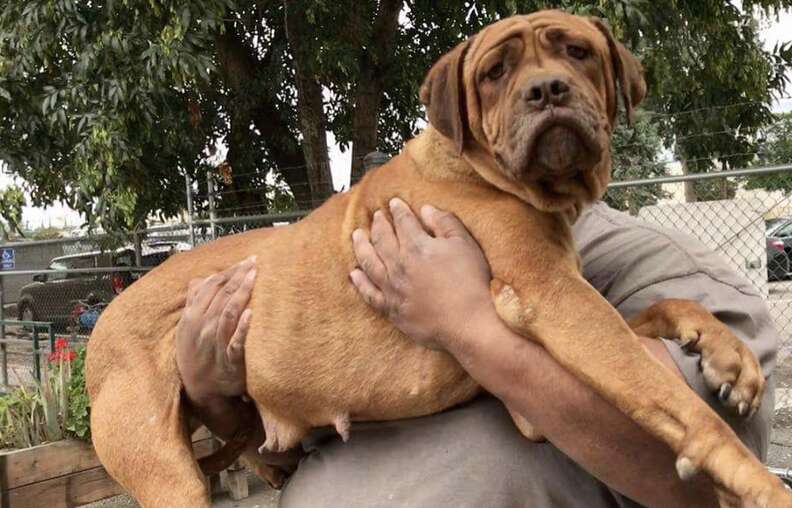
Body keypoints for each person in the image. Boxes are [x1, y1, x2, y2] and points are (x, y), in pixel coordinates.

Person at [176, 200, 777, 507]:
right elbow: (283, 452)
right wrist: (216, 394)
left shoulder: (658, 266)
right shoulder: (403, 264)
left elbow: (701, 487)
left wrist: (468, 325)